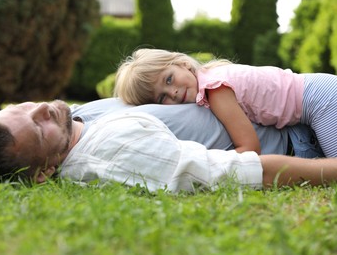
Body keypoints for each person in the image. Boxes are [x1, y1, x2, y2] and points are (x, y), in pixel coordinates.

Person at [0, 100, 336, 193]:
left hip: (291, 105)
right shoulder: (119, 153)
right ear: (44, 172)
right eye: (38, 127)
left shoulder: (74, 121)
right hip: (303, 135)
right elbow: (251, 172)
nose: (41, 108)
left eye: (21, 108)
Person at [114, 48, 337, 157]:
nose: (172, 92)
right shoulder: (210, 74)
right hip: (317, 94)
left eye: (168, 79)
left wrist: (209, 162)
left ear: (182, 63)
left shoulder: (215, 89)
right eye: (161, 97)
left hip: (319, 101)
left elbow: (250, 147)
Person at [71, 98, 324, 158]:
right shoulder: (94, 145)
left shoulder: (77, 113)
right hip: (296, 144)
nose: (173, 96)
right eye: (161, 96)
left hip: (302, 124)